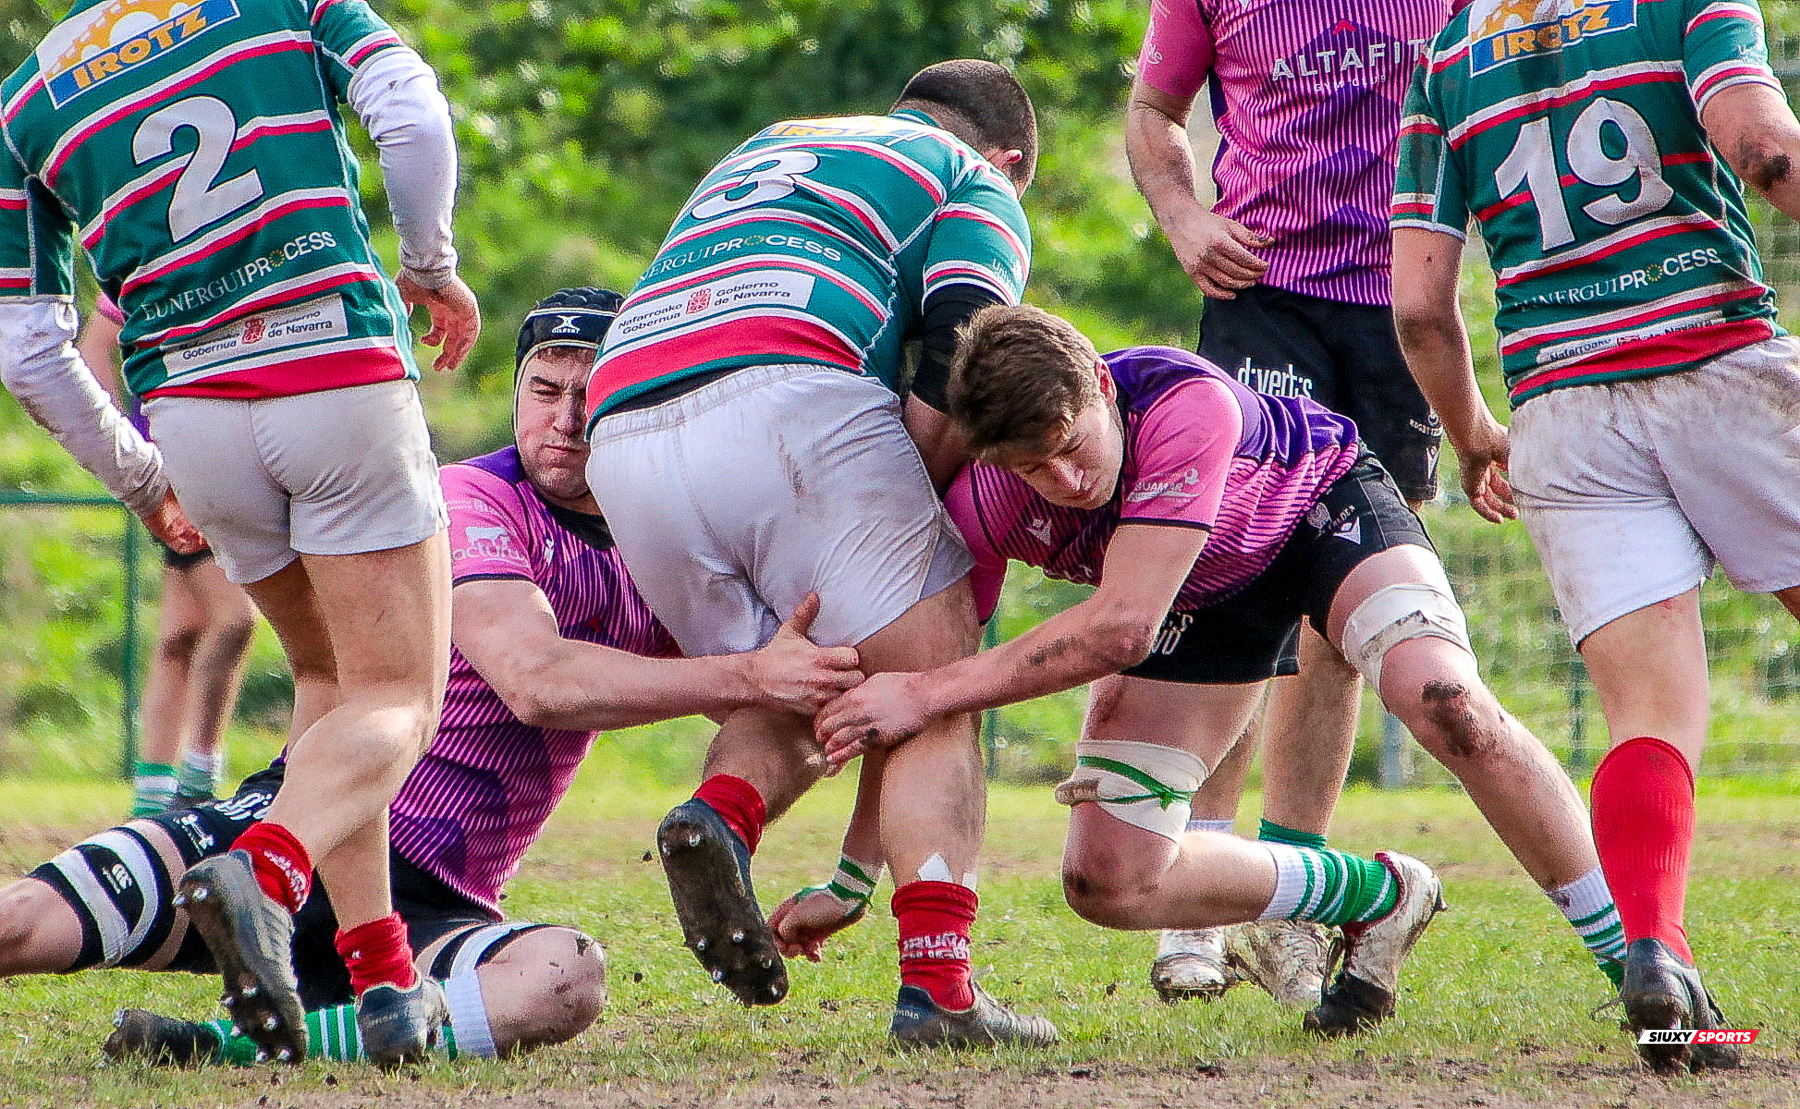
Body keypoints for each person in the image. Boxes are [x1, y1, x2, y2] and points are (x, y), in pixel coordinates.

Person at [0, 289, 861, 1067]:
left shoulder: (663, 539)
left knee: (565, 976)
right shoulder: (468, 497)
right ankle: (268, 938)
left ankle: (217, 1044)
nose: (565, 417)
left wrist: (793, 703)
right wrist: (752, 671)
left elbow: (790, 674)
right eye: (545, 388)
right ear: (517, 392)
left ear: (634, 398)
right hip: (306, 825)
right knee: (20, 925)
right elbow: (535, 679)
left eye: (592, 391)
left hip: (439, 906)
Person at [812, 305, 1631, 1036]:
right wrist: (854, 876)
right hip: (1194, 593)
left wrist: (922, 688)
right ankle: (1379, 896)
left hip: (1317, 510)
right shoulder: (985, 507)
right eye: (1033, 470)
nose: (1066, 483)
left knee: (1449, 703)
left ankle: (1641, 959)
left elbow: (1121, 628)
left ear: (1100, 384)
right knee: (1108, 880)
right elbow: (920, 702)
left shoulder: (1179, 401)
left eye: (1070, 447)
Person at [0, 0, 481, 1067]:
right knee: (401, 693)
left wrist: (139, 478)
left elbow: (27, 344)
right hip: (333, 372)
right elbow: (408, 109)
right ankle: (267, 865)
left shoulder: (26, 98)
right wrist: (432, 262)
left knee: (324, 677)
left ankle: (383, 975)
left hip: (194, 417)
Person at [583, 60, 1057, 1047]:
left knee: (801, 675)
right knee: (937, 684)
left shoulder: (770, 143)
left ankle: (722, 812)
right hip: (789, 390)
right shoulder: (969, 177)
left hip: (621, 418)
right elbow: (965, 339)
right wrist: (915, 500)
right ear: (1009, 158)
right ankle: (941, 990)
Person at [1389, 0, 1798, 1074]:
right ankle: (1662, 960)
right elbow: (1763, 147)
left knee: (1650, 715)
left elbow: (1421, 309)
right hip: (1720, 364)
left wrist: (1474, 434)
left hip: (1561, 412)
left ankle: (1656, 947)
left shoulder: (1448, 52)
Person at [1124, 0, 1467, 1000]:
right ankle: (1204, 886)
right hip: (1261, 296)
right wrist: (1184, 218)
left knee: (1350, 610)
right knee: (1240, 573)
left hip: (1402, 306)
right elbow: (1152, 112)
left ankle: (1295, 897)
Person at [77, 296, 257, 816]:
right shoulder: (139, 262)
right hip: (171, 475)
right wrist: (123, 452)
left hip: (228, 465)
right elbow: (94, 350)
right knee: (235, 620)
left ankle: (152, 802)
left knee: (179, 636)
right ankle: (198, 782)